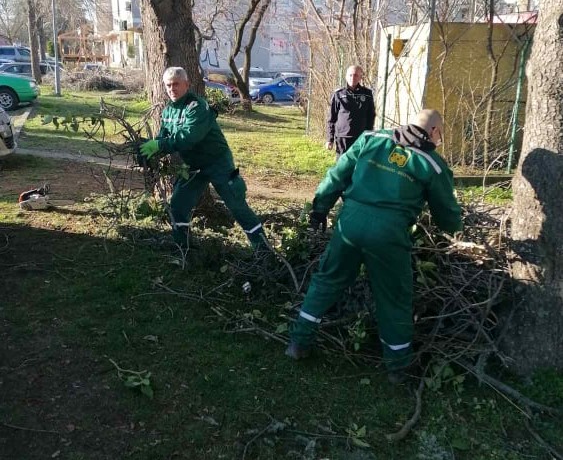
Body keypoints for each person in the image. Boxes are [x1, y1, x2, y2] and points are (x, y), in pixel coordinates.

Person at [286, 109, 462, 383]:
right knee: (394, 298)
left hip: (351, 222)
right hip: (389, 235)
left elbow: (338, 174)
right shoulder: (432, 164)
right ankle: (398, 367)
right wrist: (453, 229)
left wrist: (320, 208)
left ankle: (299, 343)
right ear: (435, 132)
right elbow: (448, 217)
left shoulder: (371, 139)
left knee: (327, 280)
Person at [140, 67, 266, 250]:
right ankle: (182, 247)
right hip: (193, 165)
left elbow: (190, 137)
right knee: (178, 204)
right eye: (168, 85)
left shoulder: (197, 106)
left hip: (218, 162)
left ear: (186, 84)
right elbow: (163, 138)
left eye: (176, 84)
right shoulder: (168, 112)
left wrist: (159, 145)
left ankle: (262, 249)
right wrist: (149, 149)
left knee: (235, 203)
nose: (172, 89)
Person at [326, 65, 375, 157]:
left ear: (360, 77)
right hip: (343, 137)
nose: (353, 78)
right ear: (346, 76)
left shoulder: (367, 94)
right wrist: (330, 139)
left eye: (356, 75)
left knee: (357, 165)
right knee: (342, 166)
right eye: (350, 75)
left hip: (360, 137)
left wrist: (369, 135)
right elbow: (331, 118)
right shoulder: (339, 94)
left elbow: (371, 116)